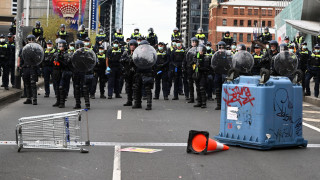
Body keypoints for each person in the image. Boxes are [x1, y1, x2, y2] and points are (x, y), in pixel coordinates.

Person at [132, 40, 154, 110]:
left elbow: (153, 62)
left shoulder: (151, 53)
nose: (144, 48)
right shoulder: (137, 53)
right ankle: (137, 103)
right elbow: (134, 61)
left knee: (147, 89)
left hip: (147, 72)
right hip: (139, 72)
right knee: (137, 89)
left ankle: (149, 104)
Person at [211, 41, 232, 110]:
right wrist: (215, 67)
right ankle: (219, 104)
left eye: (222, 47)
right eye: (220, 47)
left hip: (225, 73)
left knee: (225, 89)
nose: (221, 48)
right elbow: (213, 63)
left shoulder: (227, 54)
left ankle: (225, 104)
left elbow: (230, 64)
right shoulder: (216, 54)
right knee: (218, 89)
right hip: (218, 73)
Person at [52, 39, 72, 108]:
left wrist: (60, 59)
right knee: (56, 87)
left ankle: (62, 102)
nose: (60, 47)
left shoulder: (67, 54)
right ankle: (58, 101)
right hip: (56, 72)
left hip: (63, 72)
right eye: (59, 45)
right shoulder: (55, 53)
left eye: (62, 46)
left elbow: (66, 64)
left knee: (61, 87)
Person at [20, 35, 39, 105]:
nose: (30, 41)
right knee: (27, 84)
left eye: (32, 40)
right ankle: (28, 98)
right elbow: (22, 58)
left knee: (33, 84)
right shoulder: (24, 49)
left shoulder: (36, 49)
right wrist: (21, 66)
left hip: (32, 68)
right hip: (25, 68)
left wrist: (38, 71)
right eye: (29, 40)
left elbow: (38, 60)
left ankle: (34, 99)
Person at [72, 40, 91, 109]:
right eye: (78, 46)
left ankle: (87, 104)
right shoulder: (74, 54)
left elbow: (91, 61)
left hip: (83, 72)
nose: (79, 48)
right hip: (76, 72)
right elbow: (70, 62)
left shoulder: (86, 54)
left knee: (85, 88)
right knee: (76, 88)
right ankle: (78, 103)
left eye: (80, 46)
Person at [192, 44, 211, 108]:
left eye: (201, 50)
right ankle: (199, 102)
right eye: (199, 50)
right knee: (197, 88)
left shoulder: (206, 57)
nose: (200, 51)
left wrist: (199, 67)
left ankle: (203, 103)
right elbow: (192, 63)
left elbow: (206, 67)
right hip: (197, 74)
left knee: (202, 88)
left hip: (203, 74)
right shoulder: (196, 57)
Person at [120, 39, 138, 106]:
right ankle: (129, 101)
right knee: (128, 87)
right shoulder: (126, 52)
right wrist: (126, 60)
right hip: (128, 72)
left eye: (133, 45)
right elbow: (121, 60)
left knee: (136, 87)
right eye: (131, 45)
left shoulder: (138, 53)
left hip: (135, 72)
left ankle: (136, 102)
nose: (132, 46)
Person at [183, 37, 199, 103]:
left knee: (198, 83)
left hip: (196, 68)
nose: (194, 43)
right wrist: (184, 67)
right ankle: (191, 97)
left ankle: (198, 97)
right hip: (189, 67)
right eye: (193, 42)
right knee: (190, 83)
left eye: (195, 42)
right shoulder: (187, 50)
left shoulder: (199, 49)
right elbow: (184, 59)